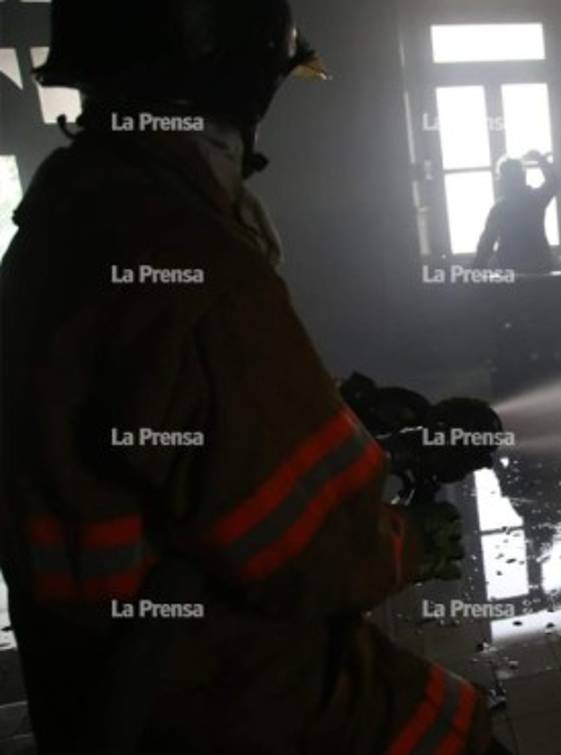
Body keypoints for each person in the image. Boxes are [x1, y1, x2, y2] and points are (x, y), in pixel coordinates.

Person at [0, 1, 494, 752]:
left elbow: (192, 443)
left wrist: (346, 420)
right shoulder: (194, 263)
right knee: (453, 731)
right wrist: (406, 544)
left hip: (99, 689)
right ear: (238, 88)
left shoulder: (61, 222)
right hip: (225, 694)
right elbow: (310, 548)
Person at [473, 151, 558, 273]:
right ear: (523, 176)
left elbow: (486, 244)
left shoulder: (500, 209)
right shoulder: (535, 200)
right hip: (539, 265)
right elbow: (553, 182)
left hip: (511, 268)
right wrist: (541, 160)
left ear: (503, 181)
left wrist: (475, 272)